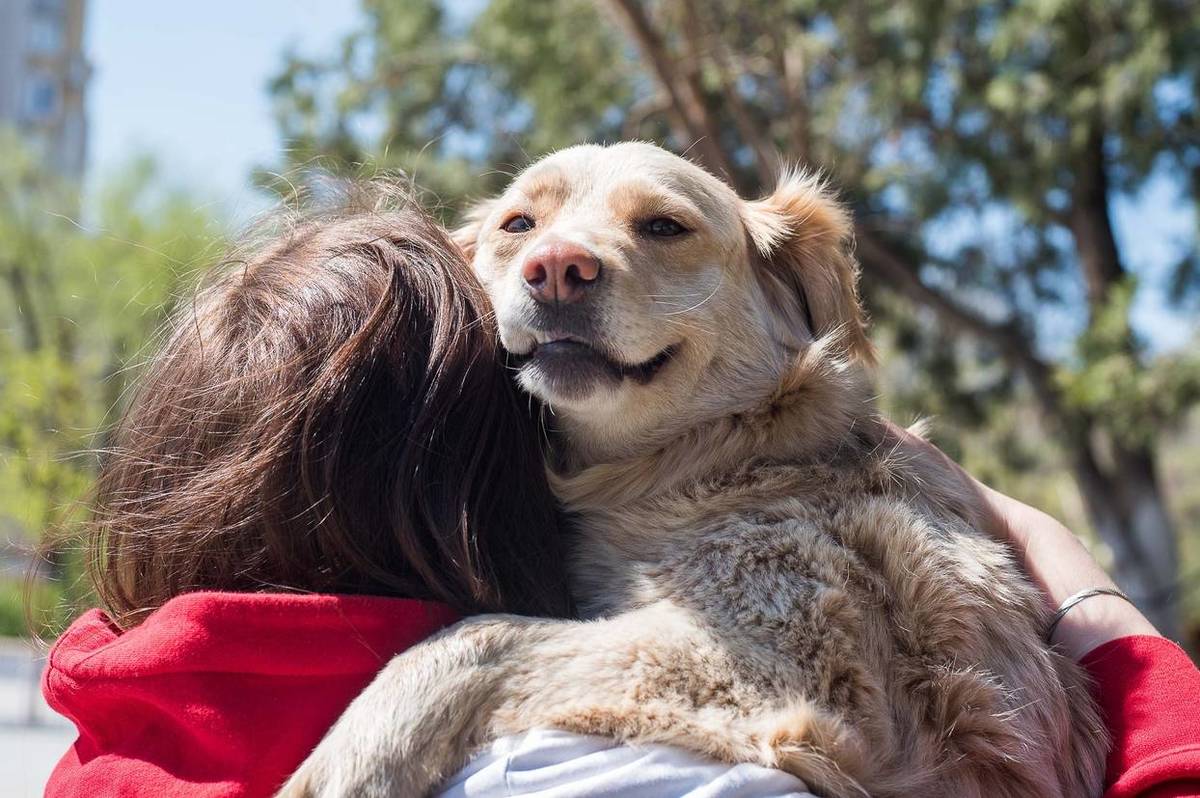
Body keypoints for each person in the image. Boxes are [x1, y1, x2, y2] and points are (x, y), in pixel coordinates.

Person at [43, 189, 1200, 798]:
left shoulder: (111, 724)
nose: (565, 257)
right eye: (517, 230)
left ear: (791, 298)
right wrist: (1102, 612)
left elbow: (780, 683)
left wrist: (466, 670)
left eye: (663, 228)